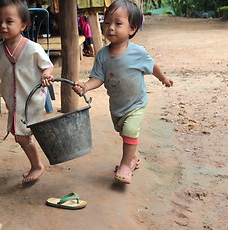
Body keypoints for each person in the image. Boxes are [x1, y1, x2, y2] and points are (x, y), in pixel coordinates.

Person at [73, 0, 173, 184]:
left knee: (129, 130)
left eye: (118, 23)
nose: (111, 27)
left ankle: (126, 165)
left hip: (137, 103)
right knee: (124, 132)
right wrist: (86, 86)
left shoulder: (138, 53)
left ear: (132, 29)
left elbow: (152, 66)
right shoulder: (102, 55)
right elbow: (98, 78)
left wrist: (163, 79)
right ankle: (133, 158)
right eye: (107, 22)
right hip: (118, 106)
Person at [0, 0, 54, 183]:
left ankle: (37, 165)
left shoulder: (33, 48)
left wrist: (46, 75)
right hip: (13, 102)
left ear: (23, 25)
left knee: (21, 135)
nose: (2, 26)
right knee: (21, 134)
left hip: (32, 100)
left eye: (9, 21)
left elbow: (48, 66)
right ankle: (36, 162)